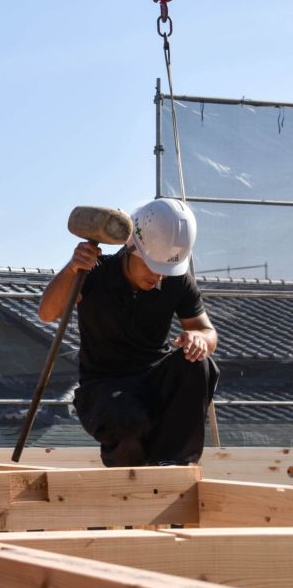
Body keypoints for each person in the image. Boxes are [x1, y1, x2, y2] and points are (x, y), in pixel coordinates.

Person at [38, 198, 219, 467]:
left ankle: (174, 466)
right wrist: (72, 268)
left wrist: (199, 339)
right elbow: (47, 313)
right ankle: (130, 481)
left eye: (166, 271)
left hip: (154, 378)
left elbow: (207, 332)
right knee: (127, 420)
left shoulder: (176, 279)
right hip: (103, 388)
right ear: (132, 248)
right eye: (153, 267)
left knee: (199, 365)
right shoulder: (94, 274)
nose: (159, 277)